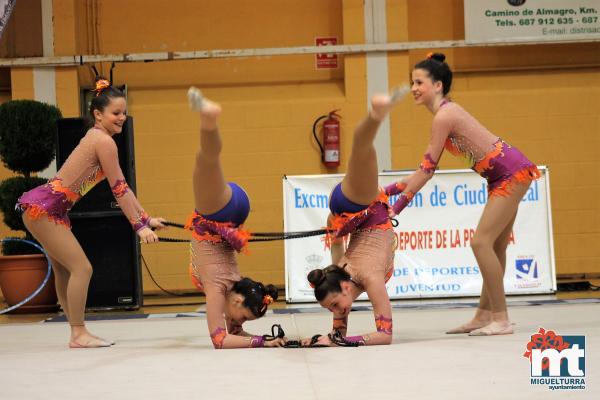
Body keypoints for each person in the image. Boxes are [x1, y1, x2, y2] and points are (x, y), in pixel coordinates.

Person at [390, 53, 540, 336]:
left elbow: (426, 170)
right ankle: (485, 315)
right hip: (503, 175)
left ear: (437, 85)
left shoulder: (444, 116)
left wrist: (397, 207)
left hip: (510, 174)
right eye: (412, 82)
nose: (413, 88)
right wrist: (389, 193)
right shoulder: (446, 114)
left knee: (480, 243)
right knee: (494, 246)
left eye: (419, 82)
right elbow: (422, 171)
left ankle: (501, 319)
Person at [17, 77, 166, 348]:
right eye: (115, 113)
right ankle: (78, 332)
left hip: (46, 209)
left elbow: (123, 188)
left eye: (124, 112)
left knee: (65, 271)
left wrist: (146, 219)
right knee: (82, 268)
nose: (122, 118)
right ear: (98, 114)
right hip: (45, 209)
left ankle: (76, 331)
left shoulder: (98, 137)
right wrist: (139, 226)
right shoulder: (104, 142)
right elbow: (119, 188)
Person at [304, 90, 407, 347]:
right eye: (331, 309)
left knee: (362, 149)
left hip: (360, 207)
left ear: (346, 289)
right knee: (363, 152)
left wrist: (343, 341)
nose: (336, 312)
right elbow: (338, 336)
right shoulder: (340, 271)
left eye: (335, 305)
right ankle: (376, 115)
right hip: (349, 209)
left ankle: (376, 115)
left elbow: (385, 336)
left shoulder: (369, 277)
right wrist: (325, 340)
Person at [186, 87, 284, 349]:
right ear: (238, 302)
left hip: (238, 208)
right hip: (219, 215)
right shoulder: (219, 292)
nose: (237, 322)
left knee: (206, 161)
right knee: (206, 161)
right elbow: (220, 340)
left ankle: (208, 120)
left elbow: (233, 335)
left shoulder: (234, 288)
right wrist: (260, 344)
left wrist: (264, 340)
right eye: (241, 317)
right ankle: (208, 119)